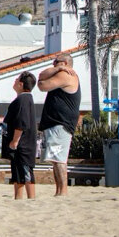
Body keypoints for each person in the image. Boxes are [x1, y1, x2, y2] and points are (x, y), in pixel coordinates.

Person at [37, 53, 81, 197]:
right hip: (55, 123)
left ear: (65, 63)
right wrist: (55, 69)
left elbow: (42, 85)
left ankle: (63, 191)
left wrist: (56, 71)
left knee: (59, 160)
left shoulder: (66, 76)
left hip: (60, 123)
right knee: (55, 160)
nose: (54, 64)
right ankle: (59, 190)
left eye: (56, 62)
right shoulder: (59, 73)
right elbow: (41, 75)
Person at [3, 72, 37, 200]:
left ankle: (30, 197)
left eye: (16, 80)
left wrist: (15, 141)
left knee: (25, 172)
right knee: (18, 172)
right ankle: (18, 197)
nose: (14, 81)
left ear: (21, 84)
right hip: (23, 145)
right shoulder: (24, 99)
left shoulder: (23, 99)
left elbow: (22, 122)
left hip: (23, 145)